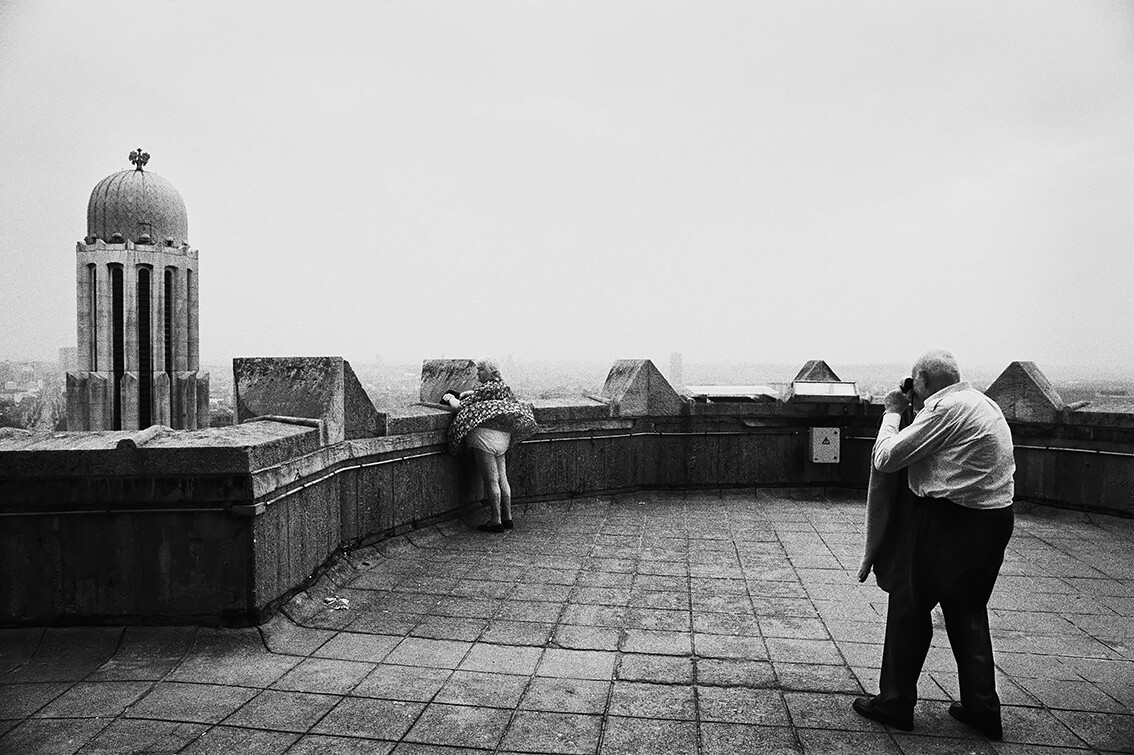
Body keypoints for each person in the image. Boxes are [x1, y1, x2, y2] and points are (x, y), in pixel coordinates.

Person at [852, 349, 1016, 740]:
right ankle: (982, 708)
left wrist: (893, 411)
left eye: (915, 384)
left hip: (949, 523)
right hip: (995, 518)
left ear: (922, 381)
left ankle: (894, 703)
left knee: (909, 605)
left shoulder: (944, 408)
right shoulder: (982, 402)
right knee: (969, 612)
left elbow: (887, 458)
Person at [441, 358, 538, 533]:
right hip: (503, 438)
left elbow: (460, 406)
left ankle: (495, 520)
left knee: (491, 480)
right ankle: (507, 517)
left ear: (490, 371)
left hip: (484, 438)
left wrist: (449, 398)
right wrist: (469, 393)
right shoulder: (503, 386)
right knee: (503, 478)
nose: (477, 373)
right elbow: (487, 396)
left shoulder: (485, 389)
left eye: (481, 370)